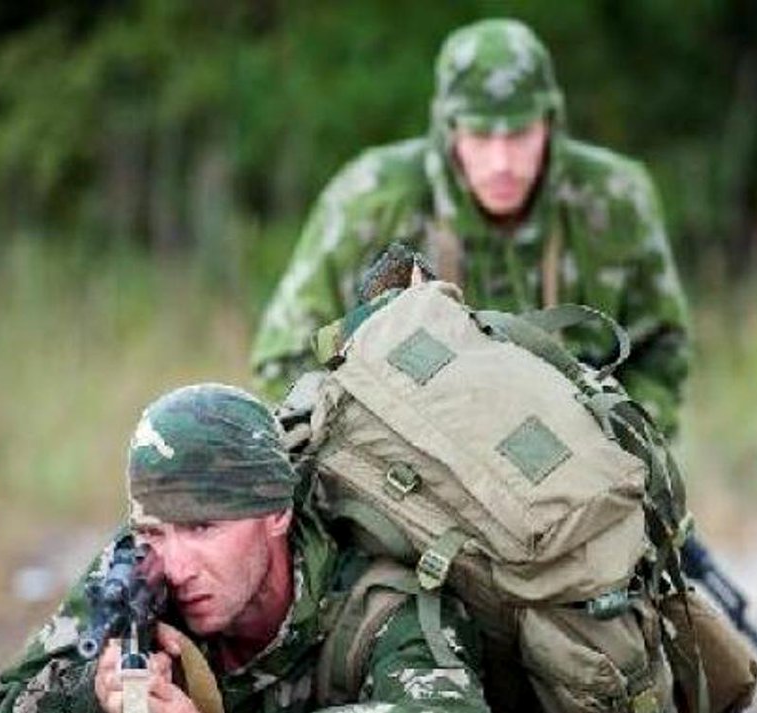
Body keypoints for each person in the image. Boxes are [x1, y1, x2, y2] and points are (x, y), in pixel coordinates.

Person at [0, 384, 490, 713]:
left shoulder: (374, 600)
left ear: (278, 512)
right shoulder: (137, 577)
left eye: (204, 527)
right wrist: (91, 693)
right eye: (156, 530)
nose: (177, 564)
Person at [252, 18, 690, 437]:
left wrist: (613, 439)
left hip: (578, 473)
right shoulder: (372, 200)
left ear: (551, 124)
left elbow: (663, 353)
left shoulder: (615, 198)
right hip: (410, 475)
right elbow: (287, 358)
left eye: (520, 133)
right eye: (481, 136)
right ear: (449, 130)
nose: (502, 161)